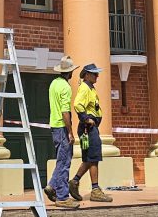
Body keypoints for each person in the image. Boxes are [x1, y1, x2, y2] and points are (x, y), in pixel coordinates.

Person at [70, 64, 112, 202]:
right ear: (87, 75)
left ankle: (75, 182)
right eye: (95, 74)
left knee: (90, 157)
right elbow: (77, 104)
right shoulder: (85, 88)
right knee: (93, 158)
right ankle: (95, 190)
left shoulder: (90, 88)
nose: (97, 76)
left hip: (90, 128)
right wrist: (86, 119)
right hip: (88, 128)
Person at [42, 55, 79, 208]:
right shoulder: (65, 87)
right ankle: (63, 197)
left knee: (61, 159)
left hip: (54, 126)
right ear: (70, 72)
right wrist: (70, 132)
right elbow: (65, 112)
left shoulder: (53, 83)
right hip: (62, 127)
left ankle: (51, 186)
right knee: (64, 162)